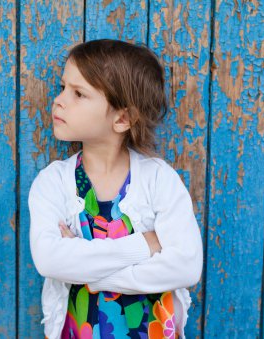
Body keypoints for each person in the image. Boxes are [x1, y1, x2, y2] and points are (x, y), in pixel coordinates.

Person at [28, 39, 203, 339]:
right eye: (63, 88)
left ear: (122, 118)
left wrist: (92, 275)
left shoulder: (159, 180)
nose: (59, 100)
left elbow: (186, 267)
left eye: (78, 93)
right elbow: (49, 259)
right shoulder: (53, 182)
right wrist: (143, 245)